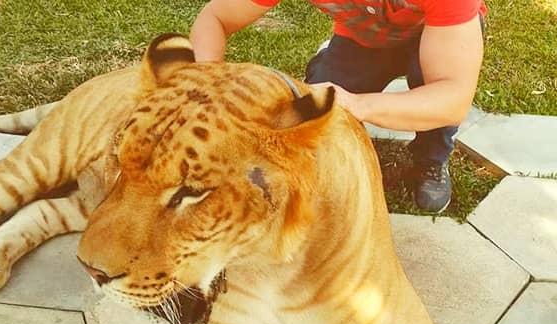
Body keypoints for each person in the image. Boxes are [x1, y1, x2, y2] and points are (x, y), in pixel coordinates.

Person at [190, 0, 486, 213]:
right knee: (316, 118)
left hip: (438, 32)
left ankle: (431, 159)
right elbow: (215, 18)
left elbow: (452, 98)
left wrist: (357, 104)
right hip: (364, 37)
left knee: (433, 84)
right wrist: (209, 85)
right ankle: (332, 63)